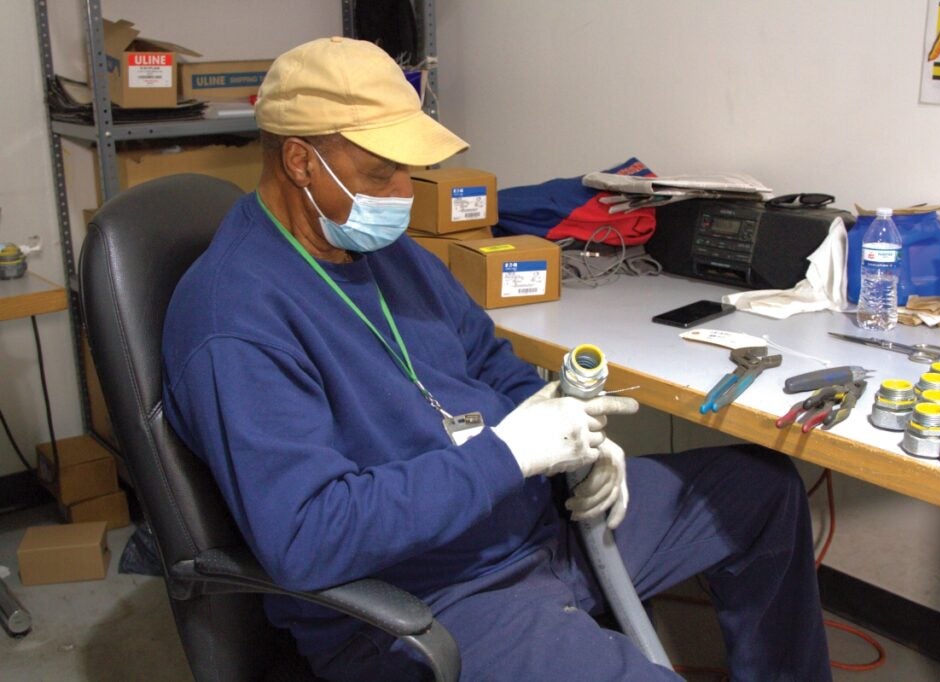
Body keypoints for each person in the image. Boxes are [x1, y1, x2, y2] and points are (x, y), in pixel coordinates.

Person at [162, 37, 831, 681]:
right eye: (379, 171)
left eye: (408, 168)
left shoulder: (390, 256)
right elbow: (306, 536)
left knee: (762, 491)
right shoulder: (235, 319)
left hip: (531, 521)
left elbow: (490, 361)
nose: (402, 191)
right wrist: (508, 456)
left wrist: (573, 436)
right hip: (434, 596)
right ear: (301, 162)